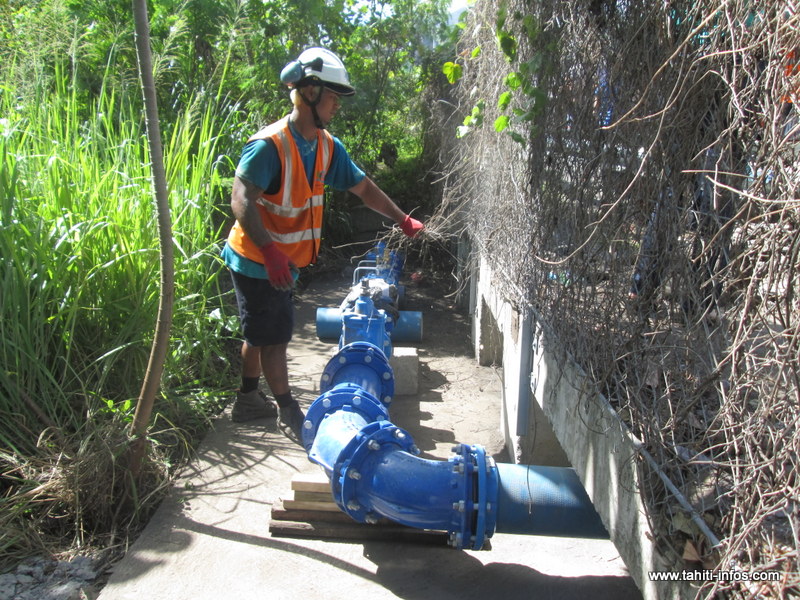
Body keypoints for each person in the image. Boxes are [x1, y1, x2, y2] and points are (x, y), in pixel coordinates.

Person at [221, 47, 424, 439]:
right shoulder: (270, 146)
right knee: (276, 337)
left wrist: (402, 219)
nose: (337, 106)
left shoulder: (326, 146)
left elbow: (363, 187)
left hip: (282, 259)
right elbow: (240, 199)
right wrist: (270, 252)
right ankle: (288, 410)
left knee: (258, 332)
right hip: (258, 258)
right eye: (333, 97)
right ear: (310, 93)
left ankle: (247, 398)